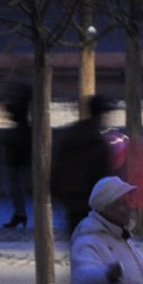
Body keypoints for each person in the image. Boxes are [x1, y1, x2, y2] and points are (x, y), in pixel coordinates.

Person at [53, 94, 121, 235]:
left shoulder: (70, 136)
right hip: (91, 204)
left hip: (72, 201)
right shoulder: (98, 143)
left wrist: (60, 194)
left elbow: (58, 168)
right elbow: (104, 176)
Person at [0, 75, 31, 229]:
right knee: (16, 182)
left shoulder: (21, 105)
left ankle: (20, 214)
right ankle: (20, 214)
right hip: (21, 144)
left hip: (18, 147)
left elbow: (13, 111)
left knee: (14, 182)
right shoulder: (27, 100)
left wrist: (5, 99)